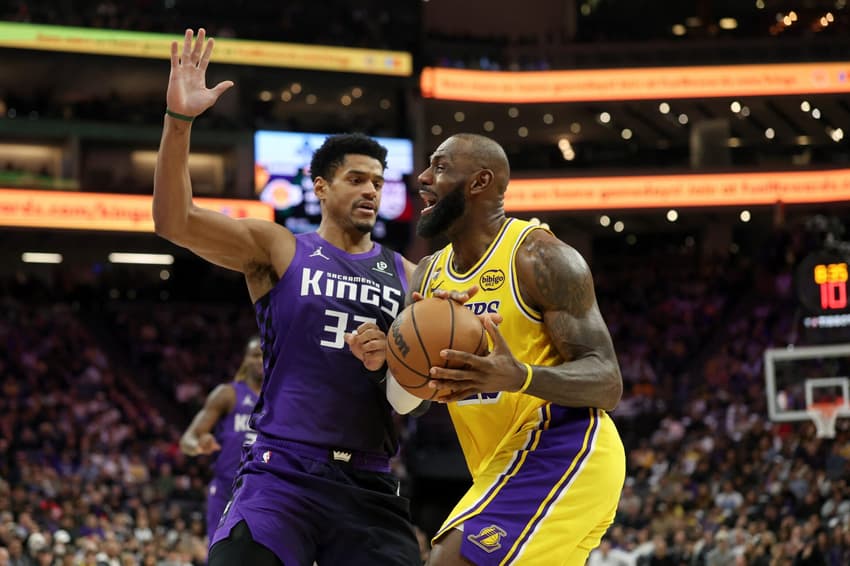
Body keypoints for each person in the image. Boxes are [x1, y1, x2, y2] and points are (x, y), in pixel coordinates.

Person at [153, 28, 422, 566]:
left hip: (368, 481)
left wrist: (395, 357)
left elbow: (422, 388)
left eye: (378, 181)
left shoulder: (410, 276)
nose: (371, 190)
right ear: (321, 187)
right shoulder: (280, 248)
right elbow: (173, 220)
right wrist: (179, 122)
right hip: (282, 476)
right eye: (356, 179)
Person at [410, 133, 626, 565]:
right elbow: (412, 405)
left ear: (479, 182)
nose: (423, 177)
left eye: (439, 166)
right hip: (498, 466)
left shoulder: (539, 257)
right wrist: (394, 365)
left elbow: (607, 382)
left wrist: (520, 376)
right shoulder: (427, 278)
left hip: (564, 446)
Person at [179, 336, 263, 542]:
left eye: (266, 354)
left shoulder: (281, 398)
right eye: (255, 355)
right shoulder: (228, 394)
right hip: (226, 488)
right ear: (245, 359)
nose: (261, 360)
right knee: (220, 553)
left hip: (263, 489)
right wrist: (199, 445)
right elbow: (187, 440)